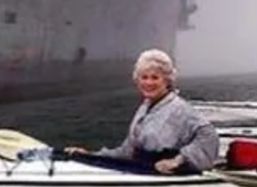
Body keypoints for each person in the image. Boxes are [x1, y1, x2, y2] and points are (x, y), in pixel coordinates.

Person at [65, 48, 219, 174]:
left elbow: (208, 134)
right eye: (144, 77)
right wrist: (89, 155)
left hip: (164, 175)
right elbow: (128, 151)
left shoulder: (180, 109)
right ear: (137, 80)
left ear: (167, 80)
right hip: (142, 170)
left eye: (155, 77)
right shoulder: (145, 108)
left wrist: (178, 161)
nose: (148, 83)